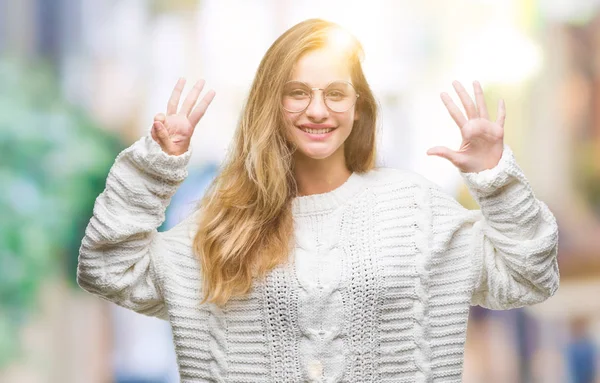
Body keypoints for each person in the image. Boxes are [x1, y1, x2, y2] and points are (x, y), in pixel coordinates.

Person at [77, 18, 560, 382]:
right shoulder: (223, 221)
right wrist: (154, 166)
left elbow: (529, 277)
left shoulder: (416, 210)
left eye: (335, 93)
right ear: (271, 103)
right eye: (297, 93)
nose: (317, 110)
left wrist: (495, 178)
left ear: (358, 107)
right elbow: (107, 268)